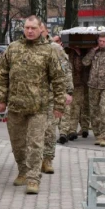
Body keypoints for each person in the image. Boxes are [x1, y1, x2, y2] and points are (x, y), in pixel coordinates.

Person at [0, 15, 66, 195]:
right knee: (18, 143)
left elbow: (58, 79)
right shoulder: (13, 48)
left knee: (35, 144)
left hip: (39, 107)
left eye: (33, 28)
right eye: (27, 27)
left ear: (40, 29)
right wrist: (1, 100)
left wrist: (59, 105)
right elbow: (3, 75)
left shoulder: (49, 51)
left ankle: (34, 178)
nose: (29, 31)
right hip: (16, 106)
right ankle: (23, 171)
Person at [39, 23, 73, 175]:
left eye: (40, 30)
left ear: (45, 31)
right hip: (30, 97)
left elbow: (65, 70)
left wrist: (68, 91)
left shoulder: (55, 48)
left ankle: (47, 159)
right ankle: (32, 161)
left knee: (50, 130)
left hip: (51, 96)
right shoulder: (23, 47)